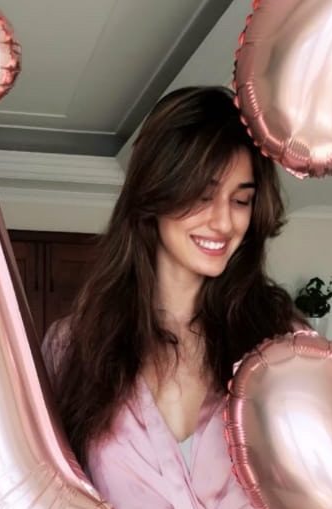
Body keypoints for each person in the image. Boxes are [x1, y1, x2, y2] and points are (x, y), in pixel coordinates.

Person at [42, 86, 306, 509]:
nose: (224, 222)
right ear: (157, 193)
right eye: (203, 196)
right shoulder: (73, 347)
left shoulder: (283, 344)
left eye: (241, 200)